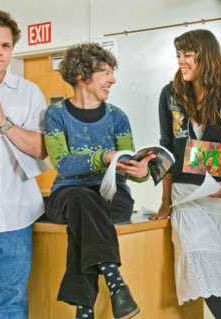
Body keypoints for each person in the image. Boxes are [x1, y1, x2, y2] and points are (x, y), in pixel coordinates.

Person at [150, 29, 221, 319]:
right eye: (178, 55)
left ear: (207, 57)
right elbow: (166, 149)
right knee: (204, 266)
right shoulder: (170, 94)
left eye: (188, 55)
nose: (182, 61)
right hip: (186, 197)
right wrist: (166, 201)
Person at [44, 43, 154, 319]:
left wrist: (142, 172)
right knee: (83, 199)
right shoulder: (56, 114)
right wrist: (104, 156)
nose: (112, 79)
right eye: (105, 72)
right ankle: (115, 281)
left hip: (112, 198)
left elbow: (128, 160)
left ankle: (84, 308)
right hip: (68, 197)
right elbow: (63, 164)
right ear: (82, 76)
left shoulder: (118, 117)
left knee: (85, 218)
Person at [0, 8, 48, 319]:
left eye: (5, 46)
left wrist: (3, 123)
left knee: (9, 309)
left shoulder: (29, 92)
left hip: (14, 221)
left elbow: (42, 148)